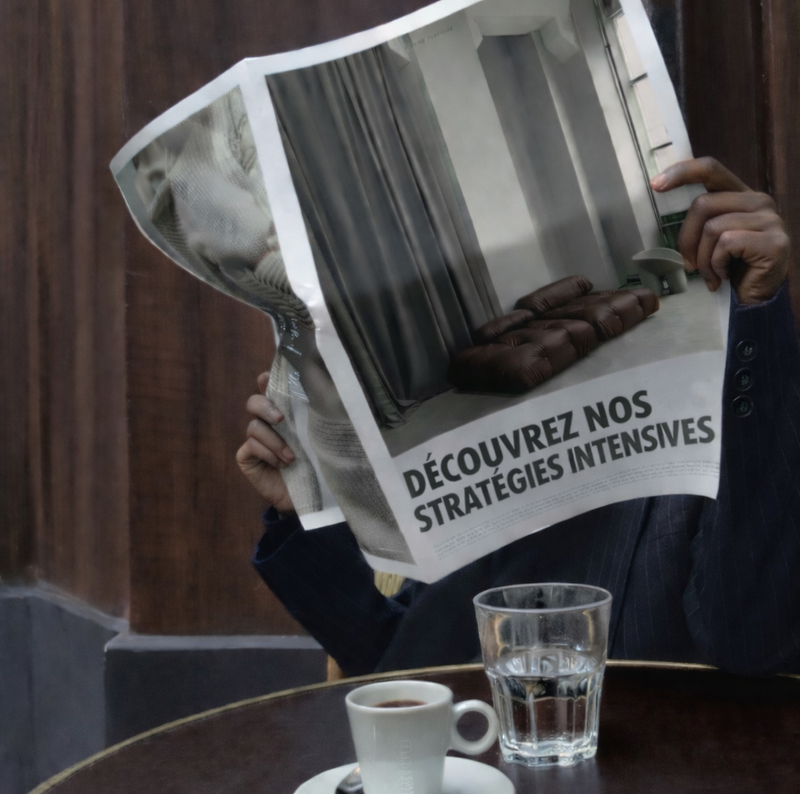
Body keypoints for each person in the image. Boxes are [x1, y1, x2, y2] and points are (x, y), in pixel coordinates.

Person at [237, 157, 800, 678]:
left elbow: (751, 642)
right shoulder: (476, 461)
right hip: (476, 749)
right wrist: (306, 506)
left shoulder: (721, 431)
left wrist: (759, 313)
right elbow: (401, 661)